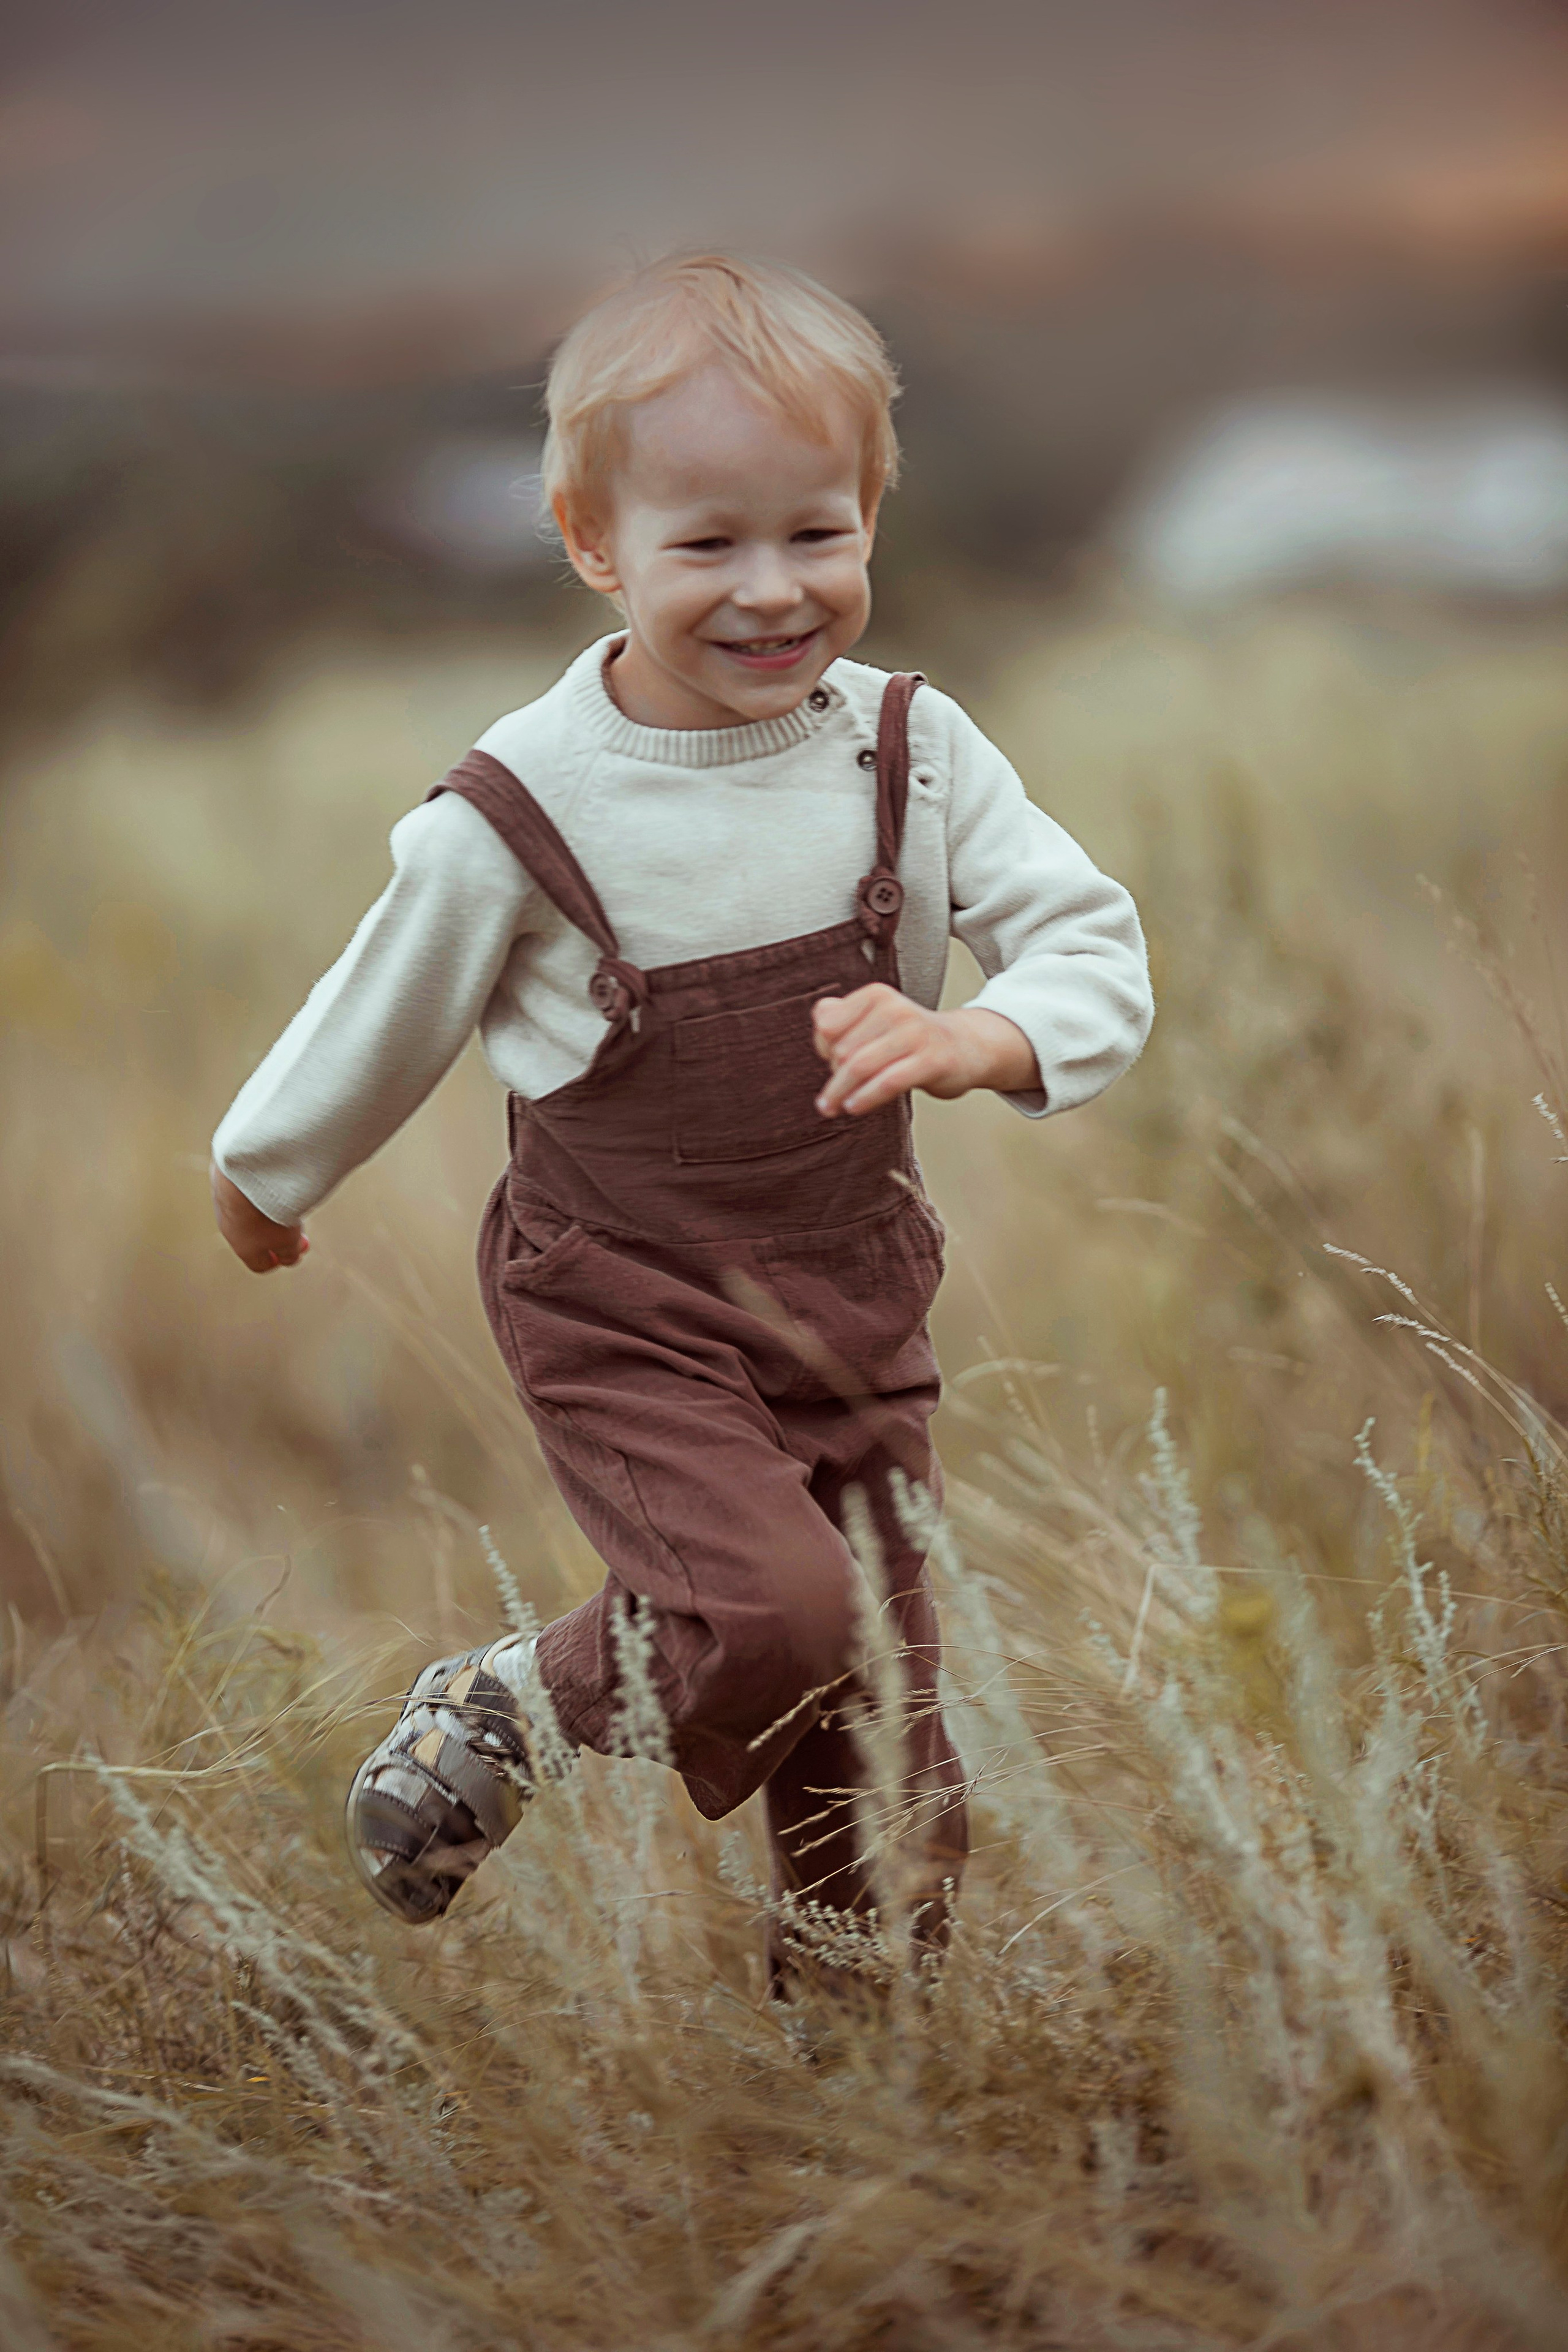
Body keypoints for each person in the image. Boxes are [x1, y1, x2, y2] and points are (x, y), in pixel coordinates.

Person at [210, 253, 1153, 1991]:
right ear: (592, 541)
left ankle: (851, 2100)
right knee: (778, 1614)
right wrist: (267, 1177)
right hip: (626, 1300)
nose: (774, 591)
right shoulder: (524, 806)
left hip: (855, 1293)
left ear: (873, 513)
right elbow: (383, 1004)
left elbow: (1091, 939)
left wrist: (981, 1033)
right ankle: (514, 1701)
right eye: (708, 545)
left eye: (817, 533)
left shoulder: (914, 756)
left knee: (881, 1741)